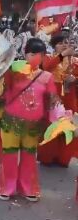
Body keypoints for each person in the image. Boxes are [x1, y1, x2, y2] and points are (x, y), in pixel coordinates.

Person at [0, 38, 65, 202]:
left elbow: (53, 99)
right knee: (9, 155)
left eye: (40, 54)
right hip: (10, 122)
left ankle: (28, 187)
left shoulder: (47, 77)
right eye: (32, 53)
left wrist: (61, 117)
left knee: (29, 156)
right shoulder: (13, 72)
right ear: (25, 54)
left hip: (33, 125)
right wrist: (2, 68)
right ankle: (7, 187)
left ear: (44, 56)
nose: (36, 57)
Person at [37, 34, 78, 167]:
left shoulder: (73, 61)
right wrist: (62, 55)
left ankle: (63, 157)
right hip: (52, 96)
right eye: (60, 43)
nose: (63, 45)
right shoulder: (49, 58)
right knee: (51, 125)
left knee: (67, 126)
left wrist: (75, 79)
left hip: (68, 96)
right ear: (54, 45)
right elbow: (46, 67)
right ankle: (48, 156)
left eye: (66, 43)